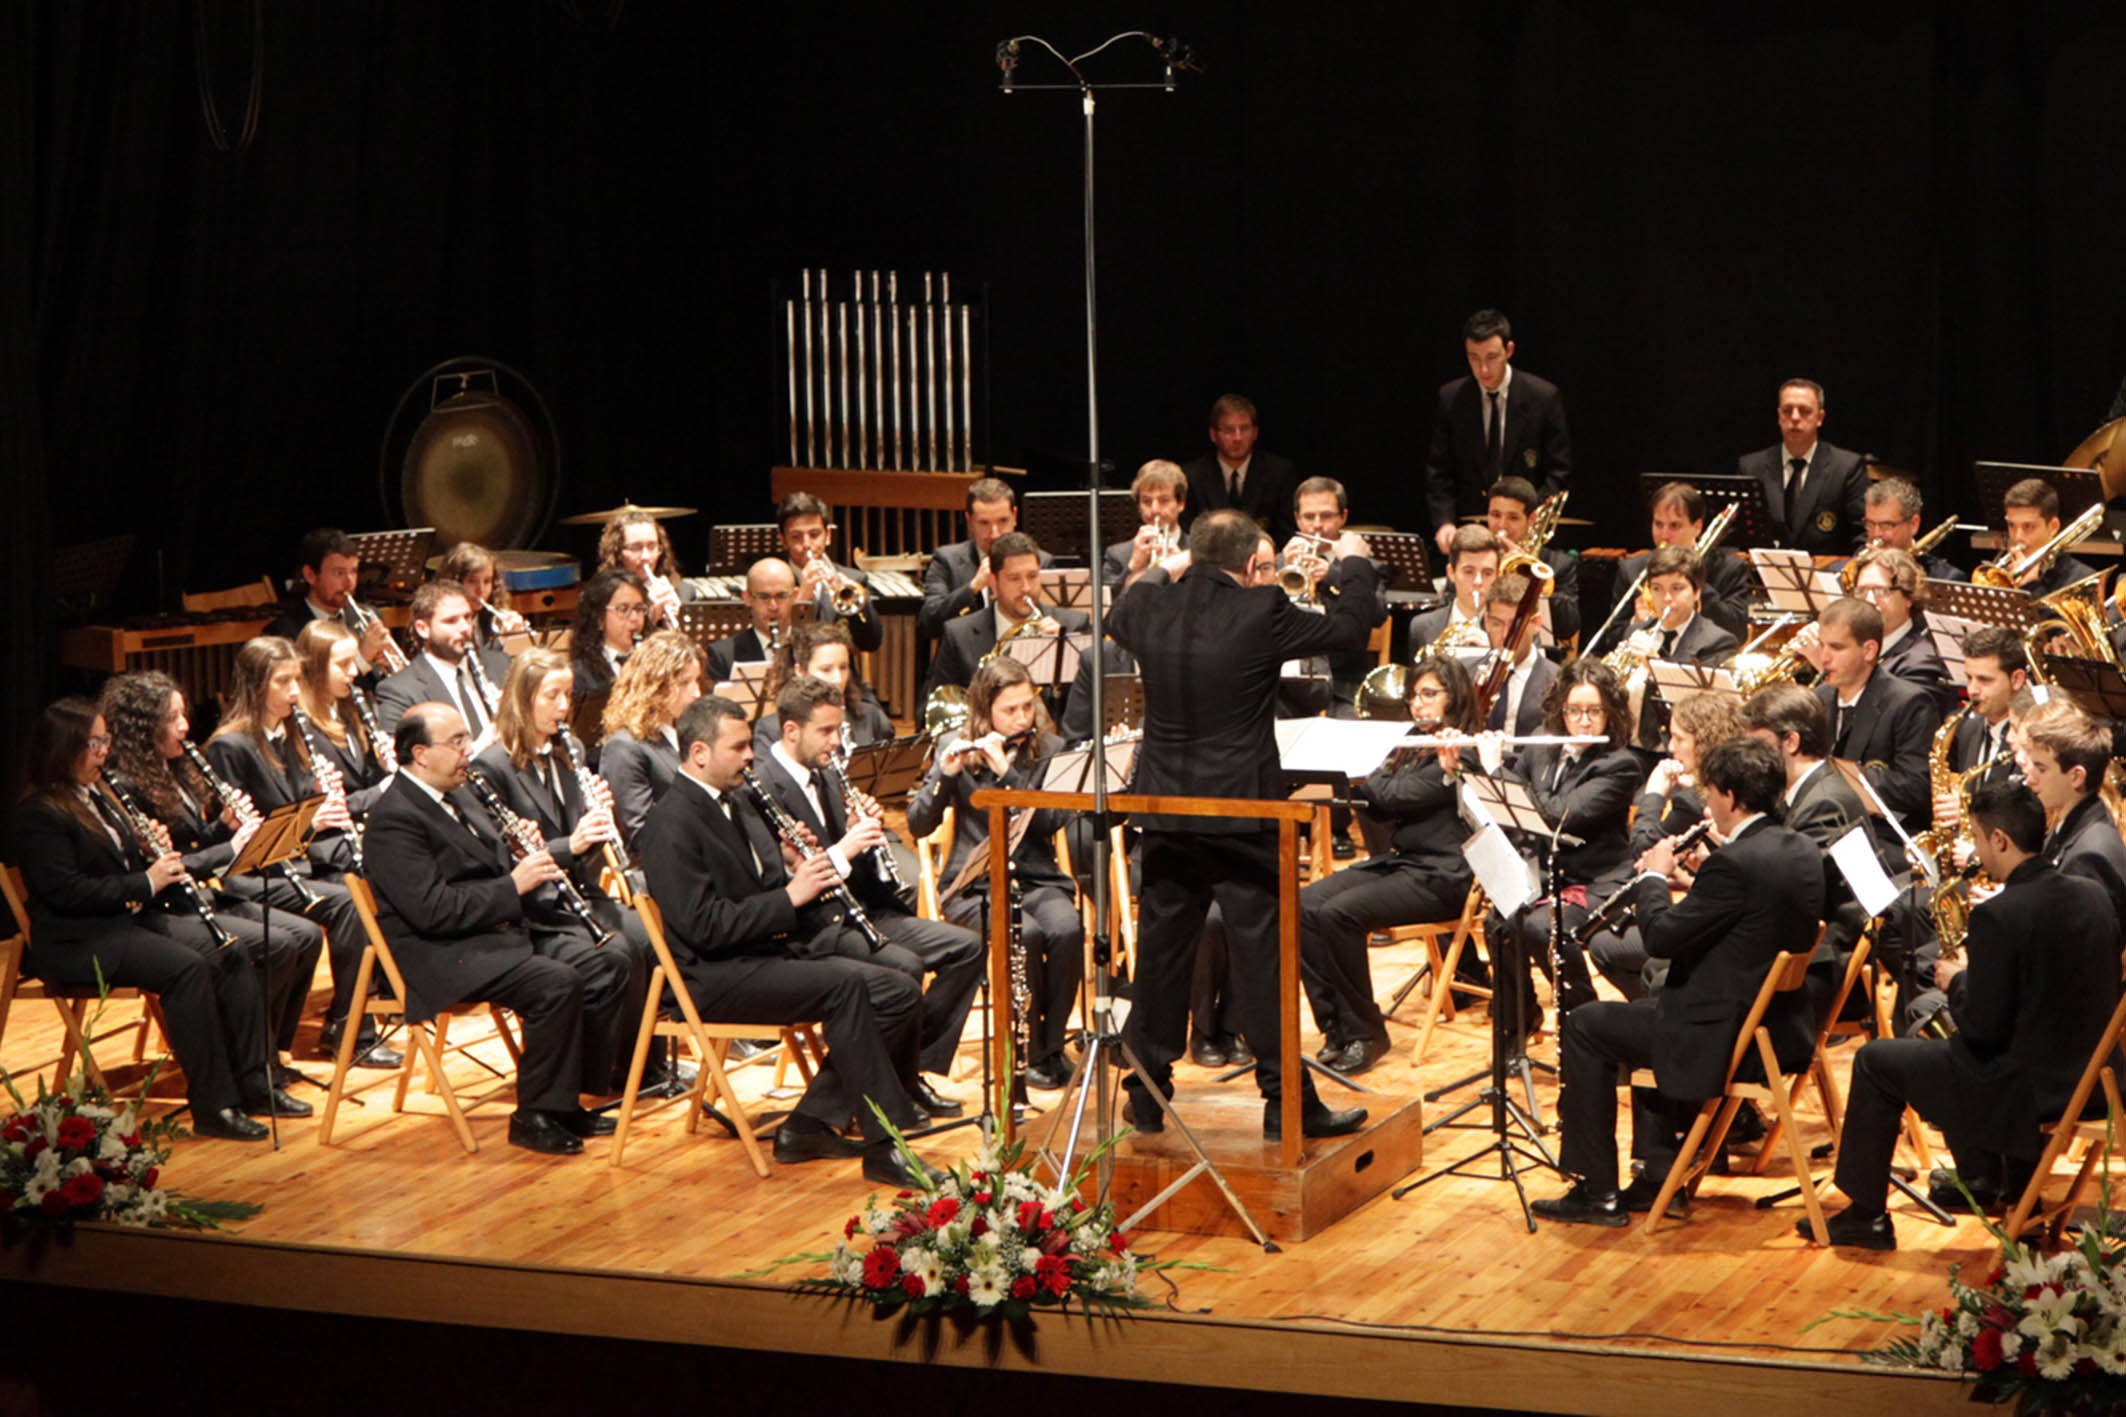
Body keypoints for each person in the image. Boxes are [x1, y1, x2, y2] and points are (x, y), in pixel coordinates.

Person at [1108, 508, 1380, 1139]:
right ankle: (1287, 1102)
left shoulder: (1150, 607)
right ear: (1244, 560)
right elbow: (1350, 626)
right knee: (1262, 962)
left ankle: (1146, 1095)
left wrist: (1160, 569)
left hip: (1168, 812)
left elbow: (1121, 613)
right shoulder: (1260, 612)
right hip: (1241, 813)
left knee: (1161, 956)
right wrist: (1355, 562)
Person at [635, 695, 938, 1187]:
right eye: (737, 747)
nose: (750, 756)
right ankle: (888, 1145)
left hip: (761, 952)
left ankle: (810, 1123)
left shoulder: (730, 801)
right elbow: (704, 927)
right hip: (713, 976)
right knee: (848, 989)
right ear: (698, 753)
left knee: (899, 989)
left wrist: (789, 867)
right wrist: (792, 896)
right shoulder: (669, 824)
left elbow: (750, 884)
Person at [1805, 781, 2120, 1248]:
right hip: (2098, 1081)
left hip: (2027, 1092)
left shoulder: (1999, 914)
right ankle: (2016, 1195)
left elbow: (1981, 1030)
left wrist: (1958, 982)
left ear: (2000, 840)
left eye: (1976, 837)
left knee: (1875, 1060)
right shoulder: (2092, 897)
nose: (1975, 849)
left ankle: (1866, 1215)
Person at [1531, 737, 1825, 1227]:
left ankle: (1595, 1189)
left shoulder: (1737, 864)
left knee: (1586, 1023)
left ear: (1731, 797)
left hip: (1720, 1036)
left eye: (1710, 792)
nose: (1707, 802)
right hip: (1773, 1025)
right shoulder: (1797, 847)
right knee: (1648, 1002)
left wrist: (1654, 878)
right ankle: (1656, 1173)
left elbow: (1663, 937)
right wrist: (1701, 882)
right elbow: (1744, 913)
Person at [10, 698, 277, 1139]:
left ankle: (255, 1080)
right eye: (93, 744)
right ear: (63, 749)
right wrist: (147, 882)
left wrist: (147, 849)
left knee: (230, 947)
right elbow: (68, 892)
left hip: (120, 922)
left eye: (105, 741)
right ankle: (214, 1105)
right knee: (187, 968)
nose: (103, 752)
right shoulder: (39, 814)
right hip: (78, 941)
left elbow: (119, 865)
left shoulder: (100, 793)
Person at [362, 703, 618, 1156]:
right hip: (443, 952)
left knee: (604, 963)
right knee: (555, 984)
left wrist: (521, 851)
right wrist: (513, 884)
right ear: (420, 754)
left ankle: (567, 1097)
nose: (469, 750)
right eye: (457, 741)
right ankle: (533, 1115)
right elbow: (432, 911)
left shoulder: (460, 791)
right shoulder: (393, 819)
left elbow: (487, 863)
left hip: (491, 930)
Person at [753, 675, 983, 1113]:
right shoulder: (764, 788)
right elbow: (785, 881)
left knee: (966, 948)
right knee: (904, 969)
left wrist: (871, 839)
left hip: (860, 910)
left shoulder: (824, 774)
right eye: (826, 732)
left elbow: (854, 867)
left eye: (839, 731)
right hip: (813, 926)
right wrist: (849, 846)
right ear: (791, 731)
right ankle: (877, 1091)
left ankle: (906, 1071)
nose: (837, 743)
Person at [97, 674, 320, 1114]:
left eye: (184, 714)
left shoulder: (175, 768)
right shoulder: (128, 784)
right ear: (144, 728)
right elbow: (165, 867)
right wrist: (229, 848)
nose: (185, 727)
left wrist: (228, 828)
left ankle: (266, 1055)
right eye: (173, 718)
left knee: (307, 936)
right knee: (270, 945)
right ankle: (251, 1068)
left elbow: (195, 843)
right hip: (165, 904)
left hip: (195, 893)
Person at [472, 649, 675, 1096]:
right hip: (532, 906)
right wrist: (574, 842)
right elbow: (504, 859)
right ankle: (595, 1076)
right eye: (553, 695)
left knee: (652, 936)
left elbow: (580, 840)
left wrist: (600, 817)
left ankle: (644, 1065)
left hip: (576, 892)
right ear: (523, 700)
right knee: (620, 952)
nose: (565, 707)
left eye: (568, 694)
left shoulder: (570, 750)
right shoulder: (492, 766)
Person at [205, 637, 384, 1068]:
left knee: (364, 885)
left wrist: (322, 799)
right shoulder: (230, 746)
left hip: (295, 865)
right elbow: (244, 834)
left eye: (296, 680)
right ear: (255, 685)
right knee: (347, 903)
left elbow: (299, 805)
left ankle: (349, 1022)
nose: (293, 691)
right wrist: (313, 819)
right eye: (282, 681)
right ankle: (347, 1028)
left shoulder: (290, 733)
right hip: (251, 874)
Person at [906, 659, 1084, 1093]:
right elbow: (917, 825)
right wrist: (945, 777)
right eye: (1011, 710)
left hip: (1037, 878)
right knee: (1027, 935)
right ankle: (1025, 1052)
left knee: (1067, 929)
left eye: (1028, 707)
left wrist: (1009, 773)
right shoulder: (955, 745)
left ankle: (1048, 1046)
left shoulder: (1050, 748)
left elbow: (1051, 822)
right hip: (974, 886)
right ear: (985, 712)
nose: (1023, 718)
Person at [1301, 653, 1481, 1076]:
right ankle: (1337, 1028)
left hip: (1445, 877)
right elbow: (1381, 807)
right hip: (1405, 866)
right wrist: (1372, 777)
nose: (1419, 705)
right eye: (1414, 696)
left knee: (1339, 914)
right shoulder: (1413, 748)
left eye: (1429, 694)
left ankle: (1367, 1033)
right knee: (1305, 904)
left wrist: (1366, 769)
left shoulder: (1461, 749)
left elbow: (1400, 796)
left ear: (1453, 698)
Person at [1476, 659, 1646, 1024]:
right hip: (1546, 876)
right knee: (1499, 921)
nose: (1584, 721)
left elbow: (1556, 816)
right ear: (1561, 710)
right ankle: (1517, 1023)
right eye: (1574, 710)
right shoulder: (1542, 747)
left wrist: (1496, 769)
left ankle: (1582, 1023)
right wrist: (1461, 760)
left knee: (1543, 928)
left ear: (1610, 713)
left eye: (1594, 711)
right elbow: (1511, 810)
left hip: (1597, 882)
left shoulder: (1620, 765)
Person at [1589, 691, 1747, 1001]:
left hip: (1717, 932)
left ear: (1703, 741)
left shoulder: (1696, 797)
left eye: (1678, 738)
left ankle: (1664, 1020)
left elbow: (1645, 846)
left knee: (1605, 946)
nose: (1670, 748)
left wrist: (1653, 794)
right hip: (1725, 919)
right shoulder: (1733, 781)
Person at [1424, 309, 1571, 556]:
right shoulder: (1451, 399)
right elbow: (1439, 472)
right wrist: (1445, 522)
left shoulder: (1543, 398)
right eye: (1473, 358)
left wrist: (1528, 521)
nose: (1483, 369)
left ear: (1509, 350)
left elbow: (1558, 472)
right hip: (1472, 531)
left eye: (1491, 357)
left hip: (1525, 531)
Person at [1801, 596, 1936, 834]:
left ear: (1869, 650)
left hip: (1884, 834)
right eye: (1822, 645)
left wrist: (1841, 775)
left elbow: (1916, 788)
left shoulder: (1909, 703)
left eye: (1836, 647)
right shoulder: (1819, 697)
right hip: (1825, 824)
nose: (1824, 658)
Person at [1599, 545, 1739, 755]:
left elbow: (1701, 712)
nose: (1666, 598)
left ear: (1697, 592)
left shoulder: (1717, 641)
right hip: (1624, 750)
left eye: (1677, 588)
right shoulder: (1636, 632)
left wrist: (1655, 665)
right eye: (1657, 588)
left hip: (1676, 755)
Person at [922, 532, 1089, 702]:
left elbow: (1086, 707)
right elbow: (938, 703)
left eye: (1032, 576)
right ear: (993, 583)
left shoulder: (1073, 626)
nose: (1026, 588)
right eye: (1014, 578)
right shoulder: (959, 634)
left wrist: (1062, 655)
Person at [1593, 482, 1755, 649]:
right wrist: (1637, 623)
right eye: (1658, 524)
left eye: (1674, 526)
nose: (1664, 535)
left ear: (1697, 527)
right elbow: (1610, 639)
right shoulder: (1631, 570)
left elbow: (1738, 632)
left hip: (1703, 661)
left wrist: (1693, 584)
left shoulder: (1728, 568)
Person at [1737, 378, 1869, 554]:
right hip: (1760, 576)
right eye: (1787, 410)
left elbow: (1863, 533)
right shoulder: (1751, 467)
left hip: (1827, 574)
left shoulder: (1847, 467)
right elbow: (1736, 534)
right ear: (1778, 416)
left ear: (1820, 418)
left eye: (1804, 411)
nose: (1795, 417)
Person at [598, 629, 704, 847]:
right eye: (685, 683)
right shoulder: (624, 747)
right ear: (655, 685)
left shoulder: (685, 733)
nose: (696, 693)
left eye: (696, 681)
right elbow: (640, 832)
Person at [2021, 707, 2126, 918]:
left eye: (2041, 769)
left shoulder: (2089, 857)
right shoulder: (2068, 823)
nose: (2029, 778)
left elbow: (2076, 944)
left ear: (2076, 777)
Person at [919, 477, 1048, 640]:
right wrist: (972, 587)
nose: (995, 533)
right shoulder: (947, 560)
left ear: (1015, 516)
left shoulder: (1041, 562)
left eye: (1003, 521)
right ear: (969, 521)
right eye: (984, 523)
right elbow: (928, 624)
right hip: (968, 661)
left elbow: (1054, 619)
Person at [373, 580, 500, 740]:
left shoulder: (500, 665)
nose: (464, 628)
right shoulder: (400, 692)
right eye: (451, 621)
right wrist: (483, 746)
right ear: (423, 629)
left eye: (467, 617)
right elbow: (405, 761)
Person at [262, 527, 397, 676]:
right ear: (310, 575)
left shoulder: (369, 616)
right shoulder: (284, 633)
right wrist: (362, 658)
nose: (349, 582)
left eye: (353, 571)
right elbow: (309, 689)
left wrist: (392, 669)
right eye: (339, 573)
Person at [1180, 394, 1301, 546]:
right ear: (1213, 435)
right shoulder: (1191, 476)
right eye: (1229, 430)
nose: (1237, 437)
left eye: (1244, 429)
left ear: (1255, 433)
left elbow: (1287, 535)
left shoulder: (1279, 473)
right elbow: (1188, 535)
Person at [1846, 547, 1954, 715]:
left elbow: (1891, 720)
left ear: (1908, 598)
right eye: (1861, 591)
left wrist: (1840, 676)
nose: (1869, 600)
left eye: (1880, 591)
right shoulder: (1855, 647)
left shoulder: (1923, 661)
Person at [777, 491, 883, 654]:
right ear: (783, 540)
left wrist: (853, 606)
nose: (807, 544)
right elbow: (774, 646)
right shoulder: (773, 583)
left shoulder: (854, 580)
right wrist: (802, 602)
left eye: (814, 535)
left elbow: (871, 642)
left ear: (828, 536)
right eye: (796, 537)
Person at [1485, 474, 1581, 644]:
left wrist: (1531, 578)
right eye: (1495, 515)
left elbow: (1569, 626)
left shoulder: (1558, 564)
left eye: (1513, 517)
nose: (1501, 525)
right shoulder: (1474, 558)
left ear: (1532, 519)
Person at [563, 567, 648, 751]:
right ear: (599, 617)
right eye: (623, 609)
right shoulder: (580, 672)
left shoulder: (652, 661)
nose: (634, 618)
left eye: (639, 609)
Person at [1479, 573, 1559, 735]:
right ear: (1486, 621)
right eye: (1496, 624)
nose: (1504, 635)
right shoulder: (1467, 673)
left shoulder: (1558, 681)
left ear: (1536, 624)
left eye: (1515, 625)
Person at [436, 541, 525, 682]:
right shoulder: (445, 624)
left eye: (487, 581)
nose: (481, 590)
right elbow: (470, 668)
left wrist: (518, 640)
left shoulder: (489, 618)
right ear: (454, 582)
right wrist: (501, 642)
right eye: (472, 581)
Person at [1996, 477, 2099, 596]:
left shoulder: (2082, 578)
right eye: (2011, 525)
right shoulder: (2003, 573)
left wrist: (2031, 585)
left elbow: (2053, 615)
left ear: (2053, 527)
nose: (2018, 537)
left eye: (2028, 526)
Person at [704, 559, 800, 682]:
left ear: (795, 596)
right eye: (763, 597)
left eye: (781, 596)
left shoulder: (812, 648)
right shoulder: (723, 655)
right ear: (747, 598)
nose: (773, 606)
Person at [1408, 526, 1500, 651]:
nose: (1478, 581)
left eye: (1487, 573)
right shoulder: (1421, 627)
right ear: (1451, 573)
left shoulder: (1510, 629)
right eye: (1469, 572)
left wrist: (1493, 652)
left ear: (1497, 575)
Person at [596, 510, 689, 631]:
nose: (646, 556)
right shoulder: (604, 598)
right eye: (635, 548)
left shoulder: (681, 591)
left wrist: (678, 625)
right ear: (618, 552)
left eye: (652, 547)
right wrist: (649, 620)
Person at [1103, 460, 1189, 588]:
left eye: (1164, 500)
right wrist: (1133, 567)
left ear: (1181, 504)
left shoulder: (1199, 553)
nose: (1155, 509)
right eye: (1147, 501)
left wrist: (1185, 574)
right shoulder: (1117, 555)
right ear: (1138, 506)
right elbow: (1109, 605)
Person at [1860, 478, 1961, 582]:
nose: (1876, 534)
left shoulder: (1945, 578)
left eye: (1887, 525)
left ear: (1913, 524)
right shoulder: (1853, 570)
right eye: (1870, 524)